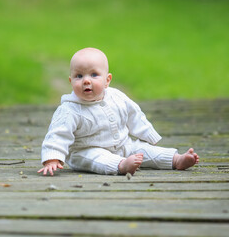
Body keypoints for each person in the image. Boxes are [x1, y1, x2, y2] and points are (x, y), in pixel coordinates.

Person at [38, 47, 199, 176]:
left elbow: (134, 114)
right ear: (70, 81)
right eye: (79, 76)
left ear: (107, 80)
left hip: (123, 145)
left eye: (94, 74)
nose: (86, 80)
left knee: (144, 151)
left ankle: (176, 160)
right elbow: (58, 134)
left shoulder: (116, 97)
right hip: (85, 151)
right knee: (97, 159)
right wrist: (52, 158)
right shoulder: (69, 110)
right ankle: (121, 166)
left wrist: (148, 134)